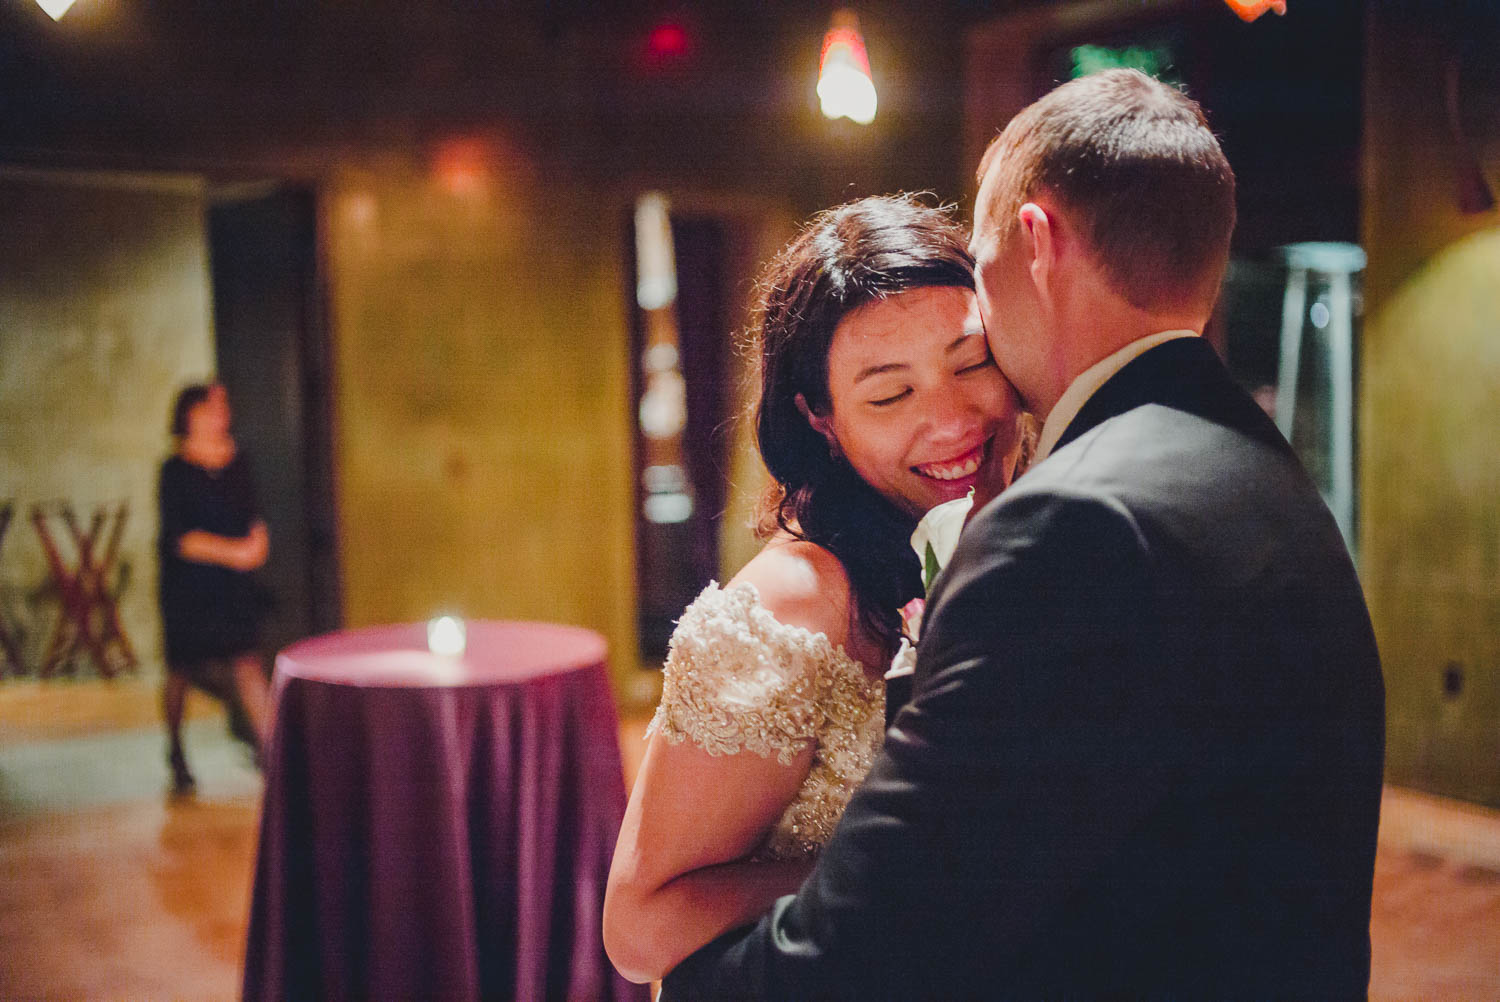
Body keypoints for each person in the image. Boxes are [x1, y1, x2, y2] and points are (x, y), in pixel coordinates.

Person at [661, 69, 1385, 1000]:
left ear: (1034, 243)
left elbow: (888, 940)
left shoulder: (1072, 523)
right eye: (889, 391)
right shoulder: (1263, 471)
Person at [604, 195, 1030, 984]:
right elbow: (639, 926)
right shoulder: (787, 612)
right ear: (822, 418)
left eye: (971, 363)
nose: (950, 422)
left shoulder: (1017, 533)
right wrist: (897, 869)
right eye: (890, 395)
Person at [157, 382, 275, 794]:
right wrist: (235, 554)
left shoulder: (238, 462)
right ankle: (175, 750)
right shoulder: (174, 470)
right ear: (191, 414)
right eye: (212, 408)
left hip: (233, 588)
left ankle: (272, 754)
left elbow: (253, 516)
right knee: (182, 670)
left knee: (247, 664)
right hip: (190, 589)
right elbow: (181, 538)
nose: (221, 415)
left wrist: (256, 546)